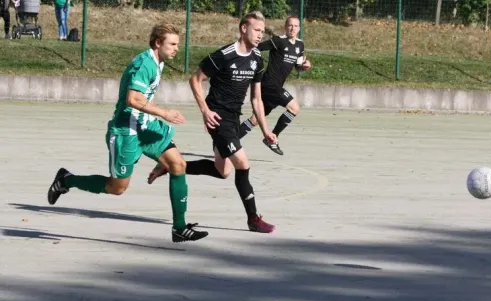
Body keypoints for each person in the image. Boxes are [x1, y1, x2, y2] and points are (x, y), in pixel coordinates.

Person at [46, 23, 209, 243]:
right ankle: (67, 180)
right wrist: (164, 113)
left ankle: (179, 228)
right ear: (158, 43)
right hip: (126, 130)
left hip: (146, 126)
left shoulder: (157, 62)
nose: (176, 49)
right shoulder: (145, 64)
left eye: (177, 44)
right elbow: (132, 99)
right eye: (172, 44)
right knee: (117, 187)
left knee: (178, 165)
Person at [147, 11, 276, 234]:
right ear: (243, 28)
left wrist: (266, 131)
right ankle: (253, 219)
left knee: (222, 171)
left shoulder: (257, 59)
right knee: (243, 164)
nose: (259, 35)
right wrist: (205, 111)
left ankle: (170, 166)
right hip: (218, 117)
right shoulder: (224, 55)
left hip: (234, 117)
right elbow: (195, 80)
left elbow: (256, 98)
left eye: (262, 31)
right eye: (256, 30)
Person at [237, 15, 312, 156]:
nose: (292, 28)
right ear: (285, 26)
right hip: (269, 83)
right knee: (294, 108)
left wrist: (304, 66)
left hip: (274, 86)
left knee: (255, 119)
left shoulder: (300, 45)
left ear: (299, 28)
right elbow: (257, 47)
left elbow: (298, 67)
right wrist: (253, 63)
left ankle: (230, 142)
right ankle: (272, 138)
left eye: (296, 26)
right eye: (290, 25)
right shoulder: (278, 41)